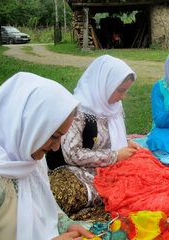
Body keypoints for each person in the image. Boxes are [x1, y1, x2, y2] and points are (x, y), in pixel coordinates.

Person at [0, 72, 95, 239]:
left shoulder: (30, 158)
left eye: (61, 137)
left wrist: (67, 225)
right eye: (54, 136)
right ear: (27, 126)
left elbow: (48, 207)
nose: (56, 147)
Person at [46, 55, 140, 221]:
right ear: (105, 85)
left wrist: (126, 143)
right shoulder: (78, 110)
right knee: (68, 196)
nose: (123, 96)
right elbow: (72, 154)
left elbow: (113, 135)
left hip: (100, 168)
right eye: (120, 90)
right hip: (68, 168)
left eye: (126, 90)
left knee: (137, 182)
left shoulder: (112, 106)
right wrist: (115, 156)